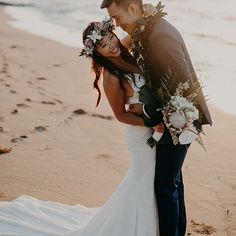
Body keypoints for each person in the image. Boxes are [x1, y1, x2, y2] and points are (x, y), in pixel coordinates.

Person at [0, 18, 164, 235]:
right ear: (97, 53)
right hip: (141, 134)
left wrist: (148, 15)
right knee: (144, 182)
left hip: (153, 126)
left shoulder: (121, 48)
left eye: (110, 38)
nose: (111, 46)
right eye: (103, 46)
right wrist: (152, 123)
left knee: (146, 180)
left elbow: (137, 28)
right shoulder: (111, 77)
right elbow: (121, 115)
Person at [100, 1, 212, 236]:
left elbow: (181, 88)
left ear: (132, 9)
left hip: (180, 119)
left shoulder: (159, 37)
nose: (118, 26)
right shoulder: (146, 28)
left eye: (118, 18)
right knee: (172, 181)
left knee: (164, 185)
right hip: (169, 119)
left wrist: (151, 114)